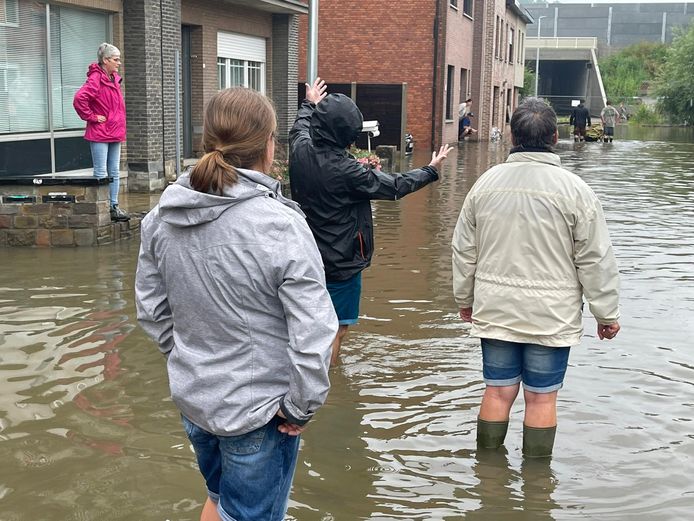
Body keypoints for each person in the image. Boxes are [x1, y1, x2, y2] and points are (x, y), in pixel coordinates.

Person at [135, 87, 337, 521]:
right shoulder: (280, 225)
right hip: (261, 412)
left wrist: (191, 358)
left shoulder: (160, 217)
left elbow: (152, 312)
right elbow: (315, 329)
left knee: (221, 499)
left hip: (196, 400)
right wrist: (300, 406)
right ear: (269, 146)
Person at [452, 97, 621, 458]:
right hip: (551, 313)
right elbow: (595, 258)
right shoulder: (576, 191)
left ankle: (488, 479)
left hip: (495, 307)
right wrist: (605, 314)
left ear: (513, 136)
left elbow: (464, 251)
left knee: (497, 391)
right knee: (542, 398)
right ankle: (537, 489)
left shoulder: (485, 185)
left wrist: (465, 299)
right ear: (555, 137)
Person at [289, 78, 453, 366]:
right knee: (337, 327)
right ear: (350, 138)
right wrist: (430, 169)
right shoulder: (350, 172)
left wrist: (309, 103)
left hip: (304, 255)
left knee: (307, 323)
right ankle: (325, 383)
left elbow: (300, 127)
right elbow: (395, 186)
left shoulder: (300, 151)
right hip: (341, 262)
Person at [73, 43, 130, 222]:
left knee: (114, 171)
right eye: (115, 59)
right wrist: (92, 116)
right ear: (105, 60)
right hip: (100, 132)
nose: (119, 63)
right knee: (101, 172)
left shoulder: (113, 79)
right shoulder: (96, 78)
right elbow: (79, 99)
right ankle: (102, 208)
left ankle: (114, 207)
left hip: (115, 131)